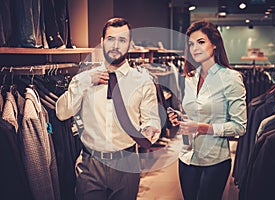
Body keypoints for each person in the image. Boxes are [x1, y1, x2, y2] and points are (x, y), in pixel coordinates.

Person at [55, 17, 161, 200]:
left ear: (130, 44)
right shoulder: (82, 79)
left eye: (122, 40)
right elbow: (62, 113)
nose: (116, 45)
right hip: (90, 164)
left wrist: (150, 130)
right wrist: (86, 83)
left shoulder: (143, 81)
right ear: (102, 41)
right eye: (111, 39)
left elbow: (151, 119)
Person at [168, 20, 247, 200]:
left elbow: (240, 127)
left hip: (214, 162)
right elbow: (194, 113)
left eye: (201, 42)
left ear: (215, 44)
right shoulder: (189, 78)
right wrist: (180, 118)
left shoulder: (231, 79)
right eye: (191, 44)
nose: (195, 48)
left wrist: (201, 127)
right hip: (186, 158)